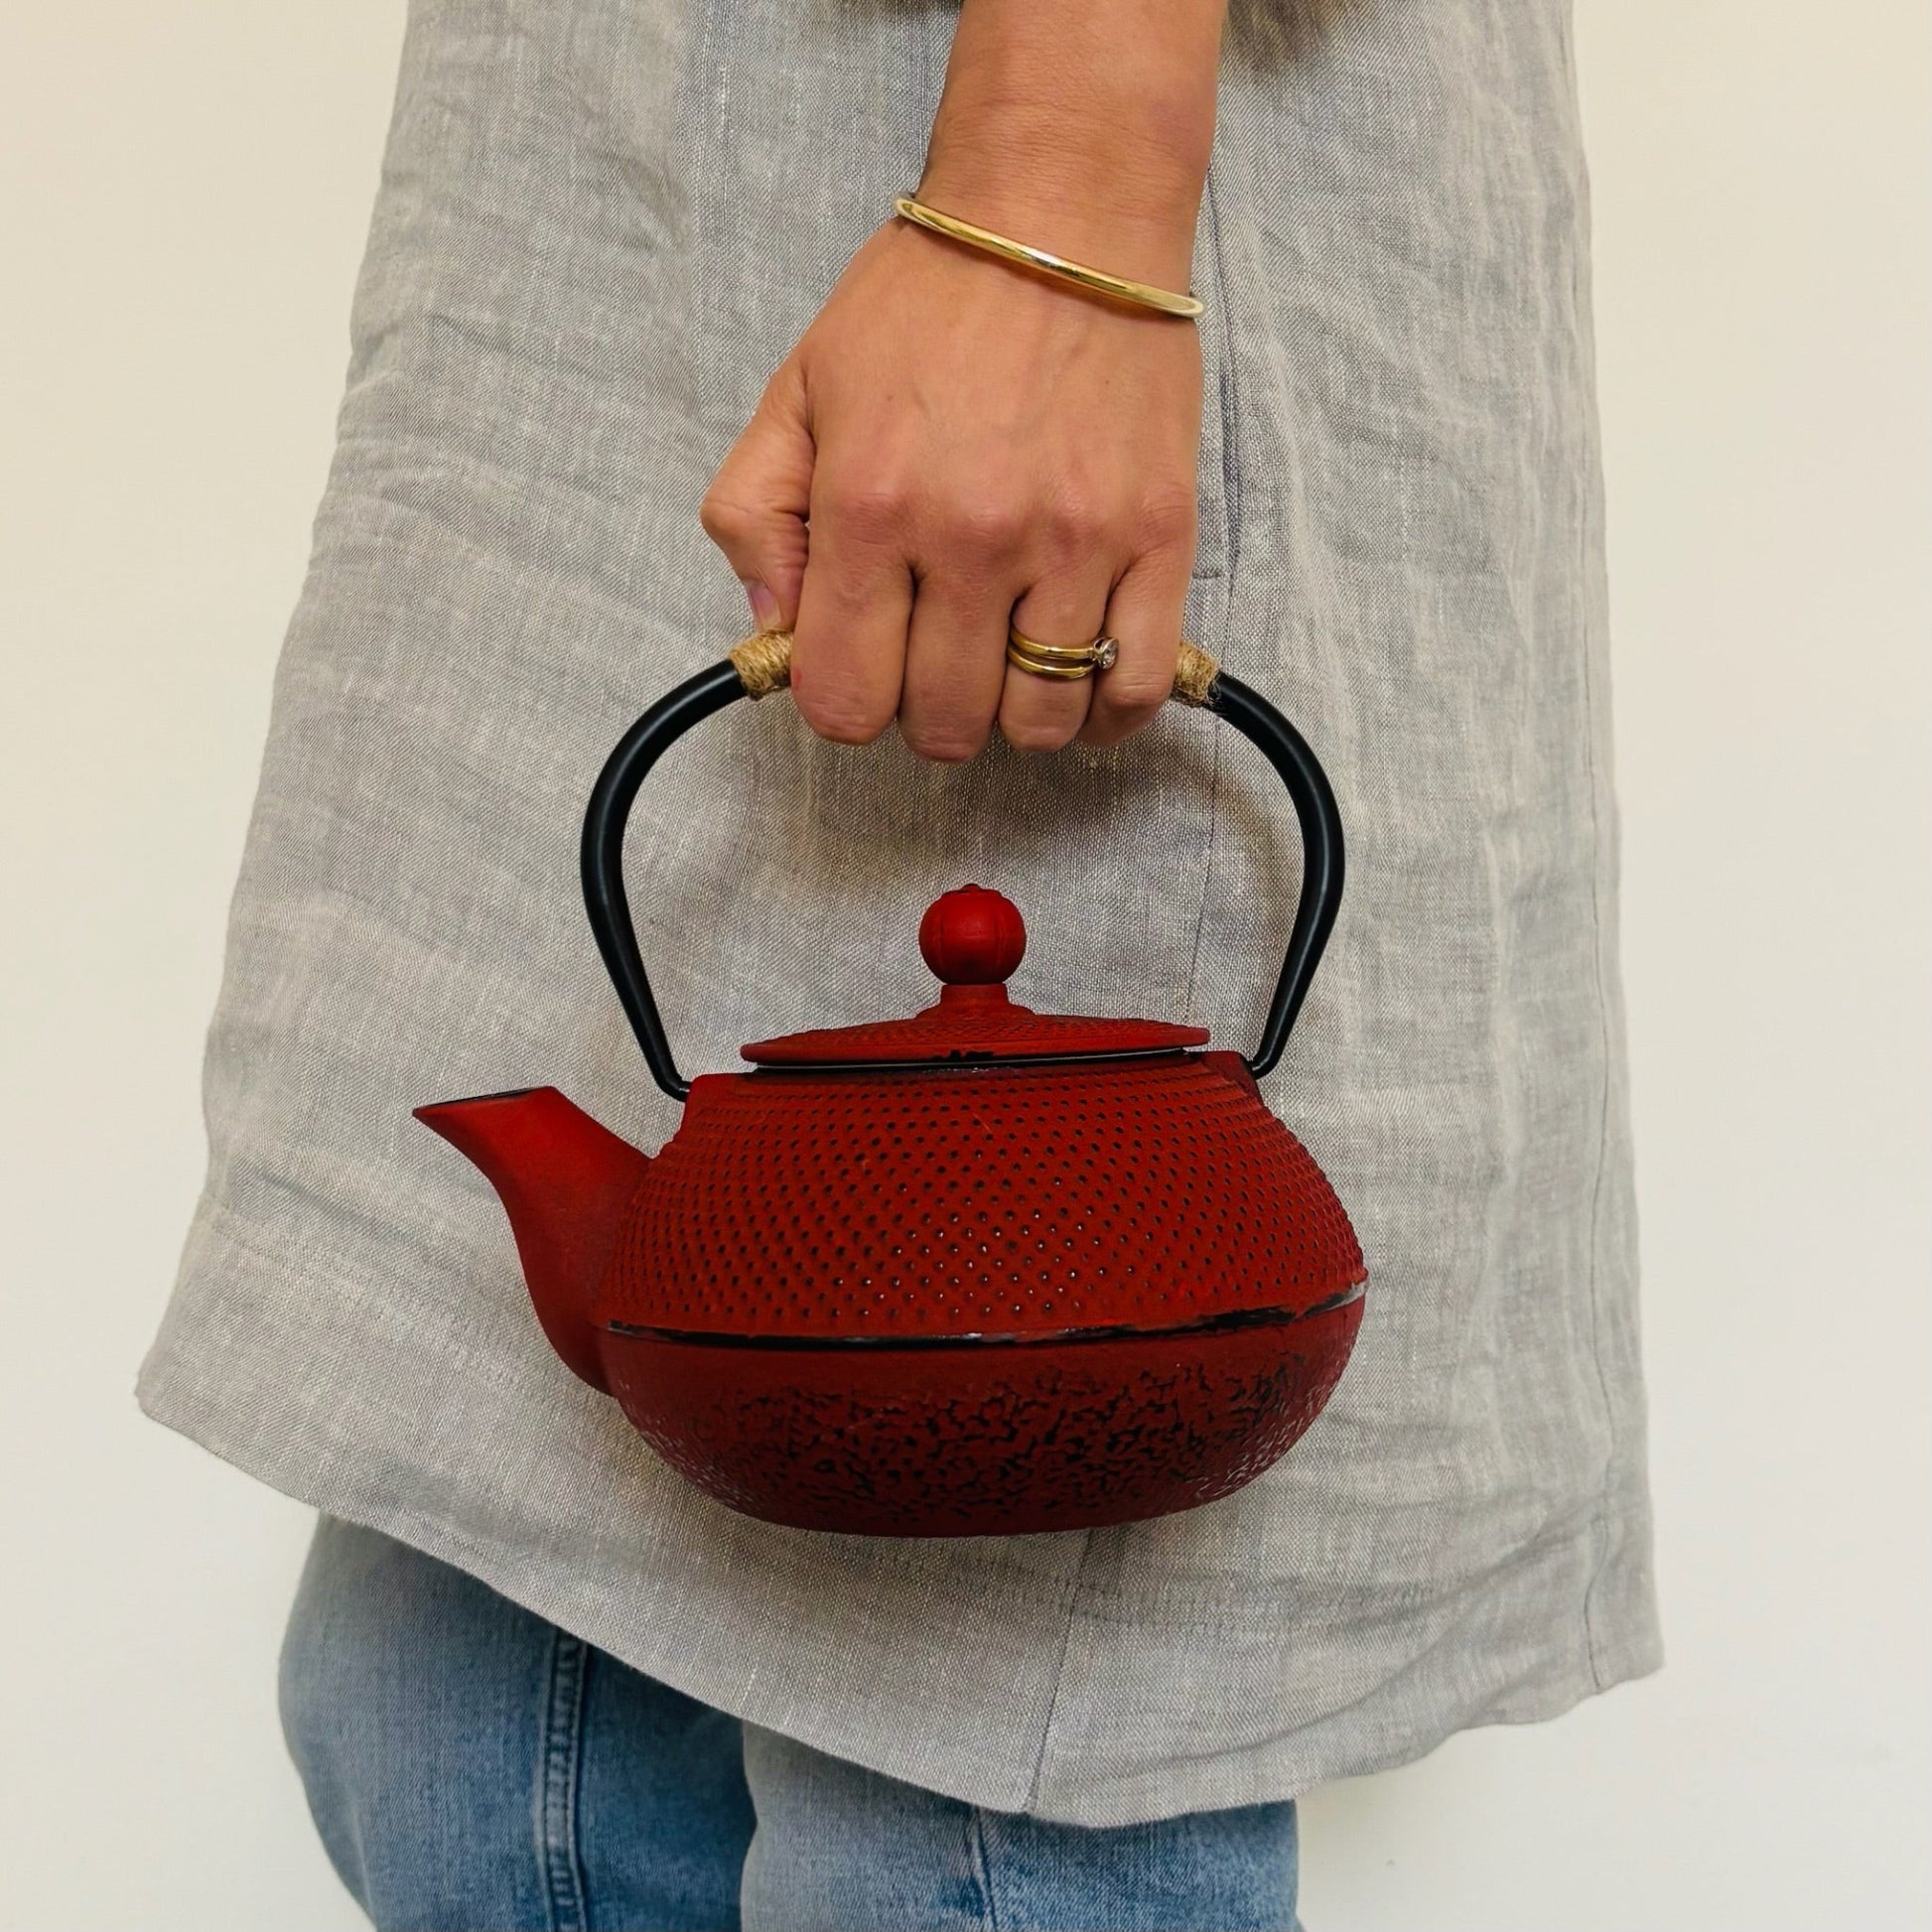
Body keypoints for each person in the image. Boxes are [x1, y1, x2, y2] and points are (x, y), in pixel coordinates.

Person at [138, 0, 1663, 1925]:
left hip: (1013, 171)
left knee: (963, 1785)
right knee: (450, 1715)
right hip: (592, 166)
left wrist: (1065, 168)